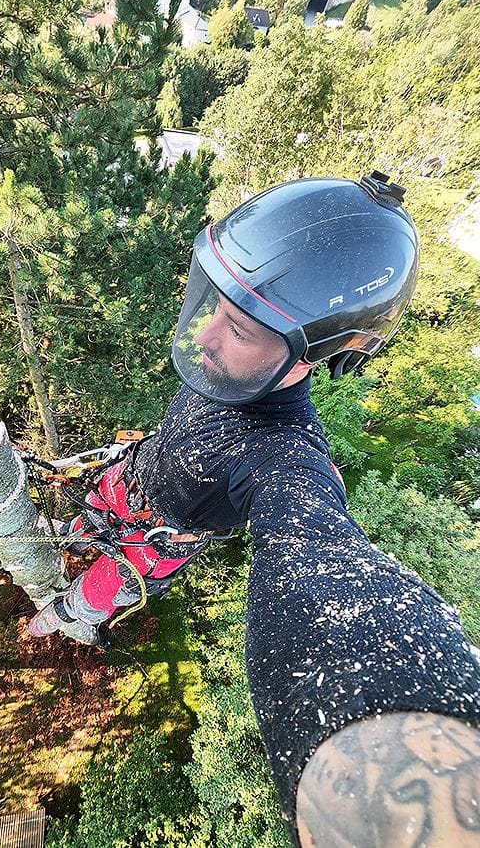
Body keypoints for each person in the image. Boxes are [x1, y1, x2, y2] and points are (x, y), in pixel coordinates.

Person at [28, 173, 480, 846]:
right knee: (83, 520)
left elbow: (319, 555)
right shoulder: (230, 368)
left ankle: (60, 617)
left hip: (160, 541)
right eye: (214, 307)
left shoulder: (284, 457)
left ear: (331, 349)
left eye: (239, 328)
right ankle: (65, 544)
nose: (207, 336)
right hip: (135, 476)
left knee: (94, 591)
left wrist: (405, 754)